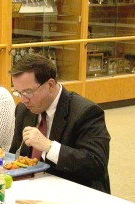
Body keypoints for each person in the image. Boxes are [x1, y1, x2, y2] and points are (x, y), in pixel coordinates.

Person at [9, 54, 111, 193]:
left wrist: (49, 147)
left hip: (75, 192)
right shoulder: (23, 110)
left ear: (50, 85)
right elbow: (16, 154)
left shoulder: (86, 112)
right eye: (18, 93)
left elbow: (96, 164)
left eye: (28, 92)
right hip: (32, 188)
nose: (23, 100)